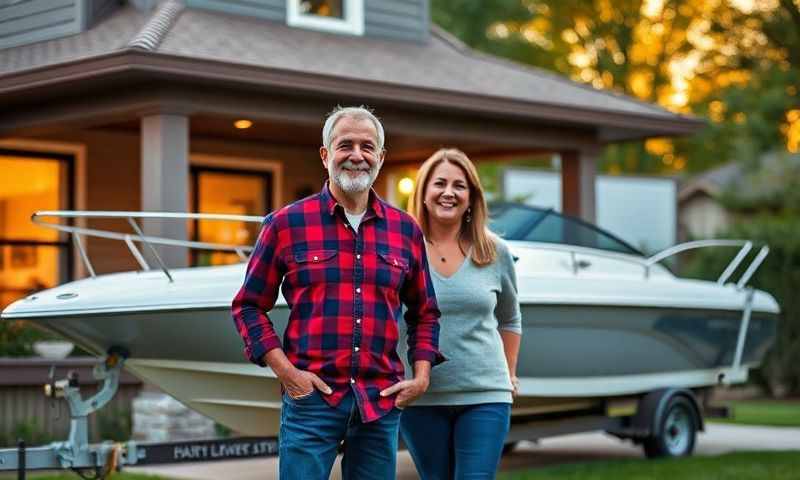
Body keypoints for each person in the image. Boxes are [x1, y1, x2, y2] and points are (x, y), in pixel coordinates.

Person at [231, 106, 444, 480]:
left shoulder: (405, 230)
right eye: (346, 145)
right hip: (311, 400)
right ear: (326, 155)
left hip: (380, 400)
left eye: (367, 146)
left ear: (380, 157)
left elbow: (425, 312)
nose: (357, 155)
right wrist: (287, 373)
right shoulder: (285, 224)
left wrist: (422, 376)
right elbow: (248, 305)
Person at [401, 148, 522, 480]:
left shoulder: (495, 250)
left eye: (459, 185)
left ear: (472, 198)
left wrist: (509, 374)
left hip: (485, 394)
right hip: (421, 397)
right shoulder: (401, 249)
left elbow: (510, 318)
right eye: (439, 183)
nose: (449, 192)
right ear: (424, 193)